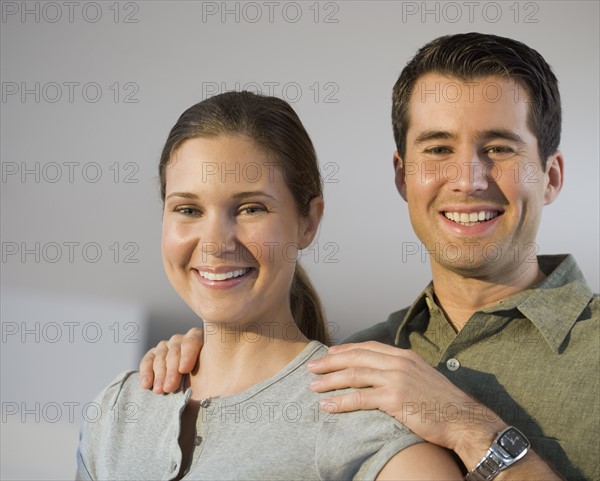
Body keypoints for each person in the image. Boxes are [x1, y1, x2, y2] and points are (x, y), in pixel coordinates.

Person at [140, 33, 599, 481]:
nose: (468, 179)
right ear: (402, 176)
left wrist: (468, 426)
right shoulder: (354, 362)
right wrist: (207, 360)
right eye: (438, 149)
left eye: (499, 148)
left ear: (552, 176)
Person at [76, 91, 462, 480]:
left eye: (250, 209)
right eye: (188, 210)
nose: (214, 242)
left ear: (308, 222)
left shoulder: (357, 419)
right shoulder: (115, 411)